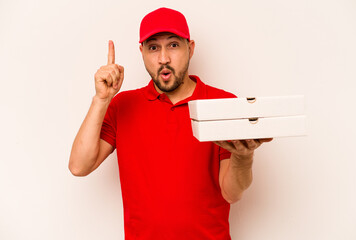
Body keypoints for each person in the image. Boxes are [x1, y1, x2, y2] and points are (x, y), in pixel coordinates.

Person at [69, 7, 272, 240]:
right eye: (153, 47)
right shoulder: (121, 105)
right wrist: (101, 100)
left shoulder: (222, 104)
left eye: (173, 45)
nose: (163, 58)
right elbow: (79, 166)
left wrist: (243, 157)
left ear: (191, 48)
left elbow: (231, 193)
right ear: (142, 52)